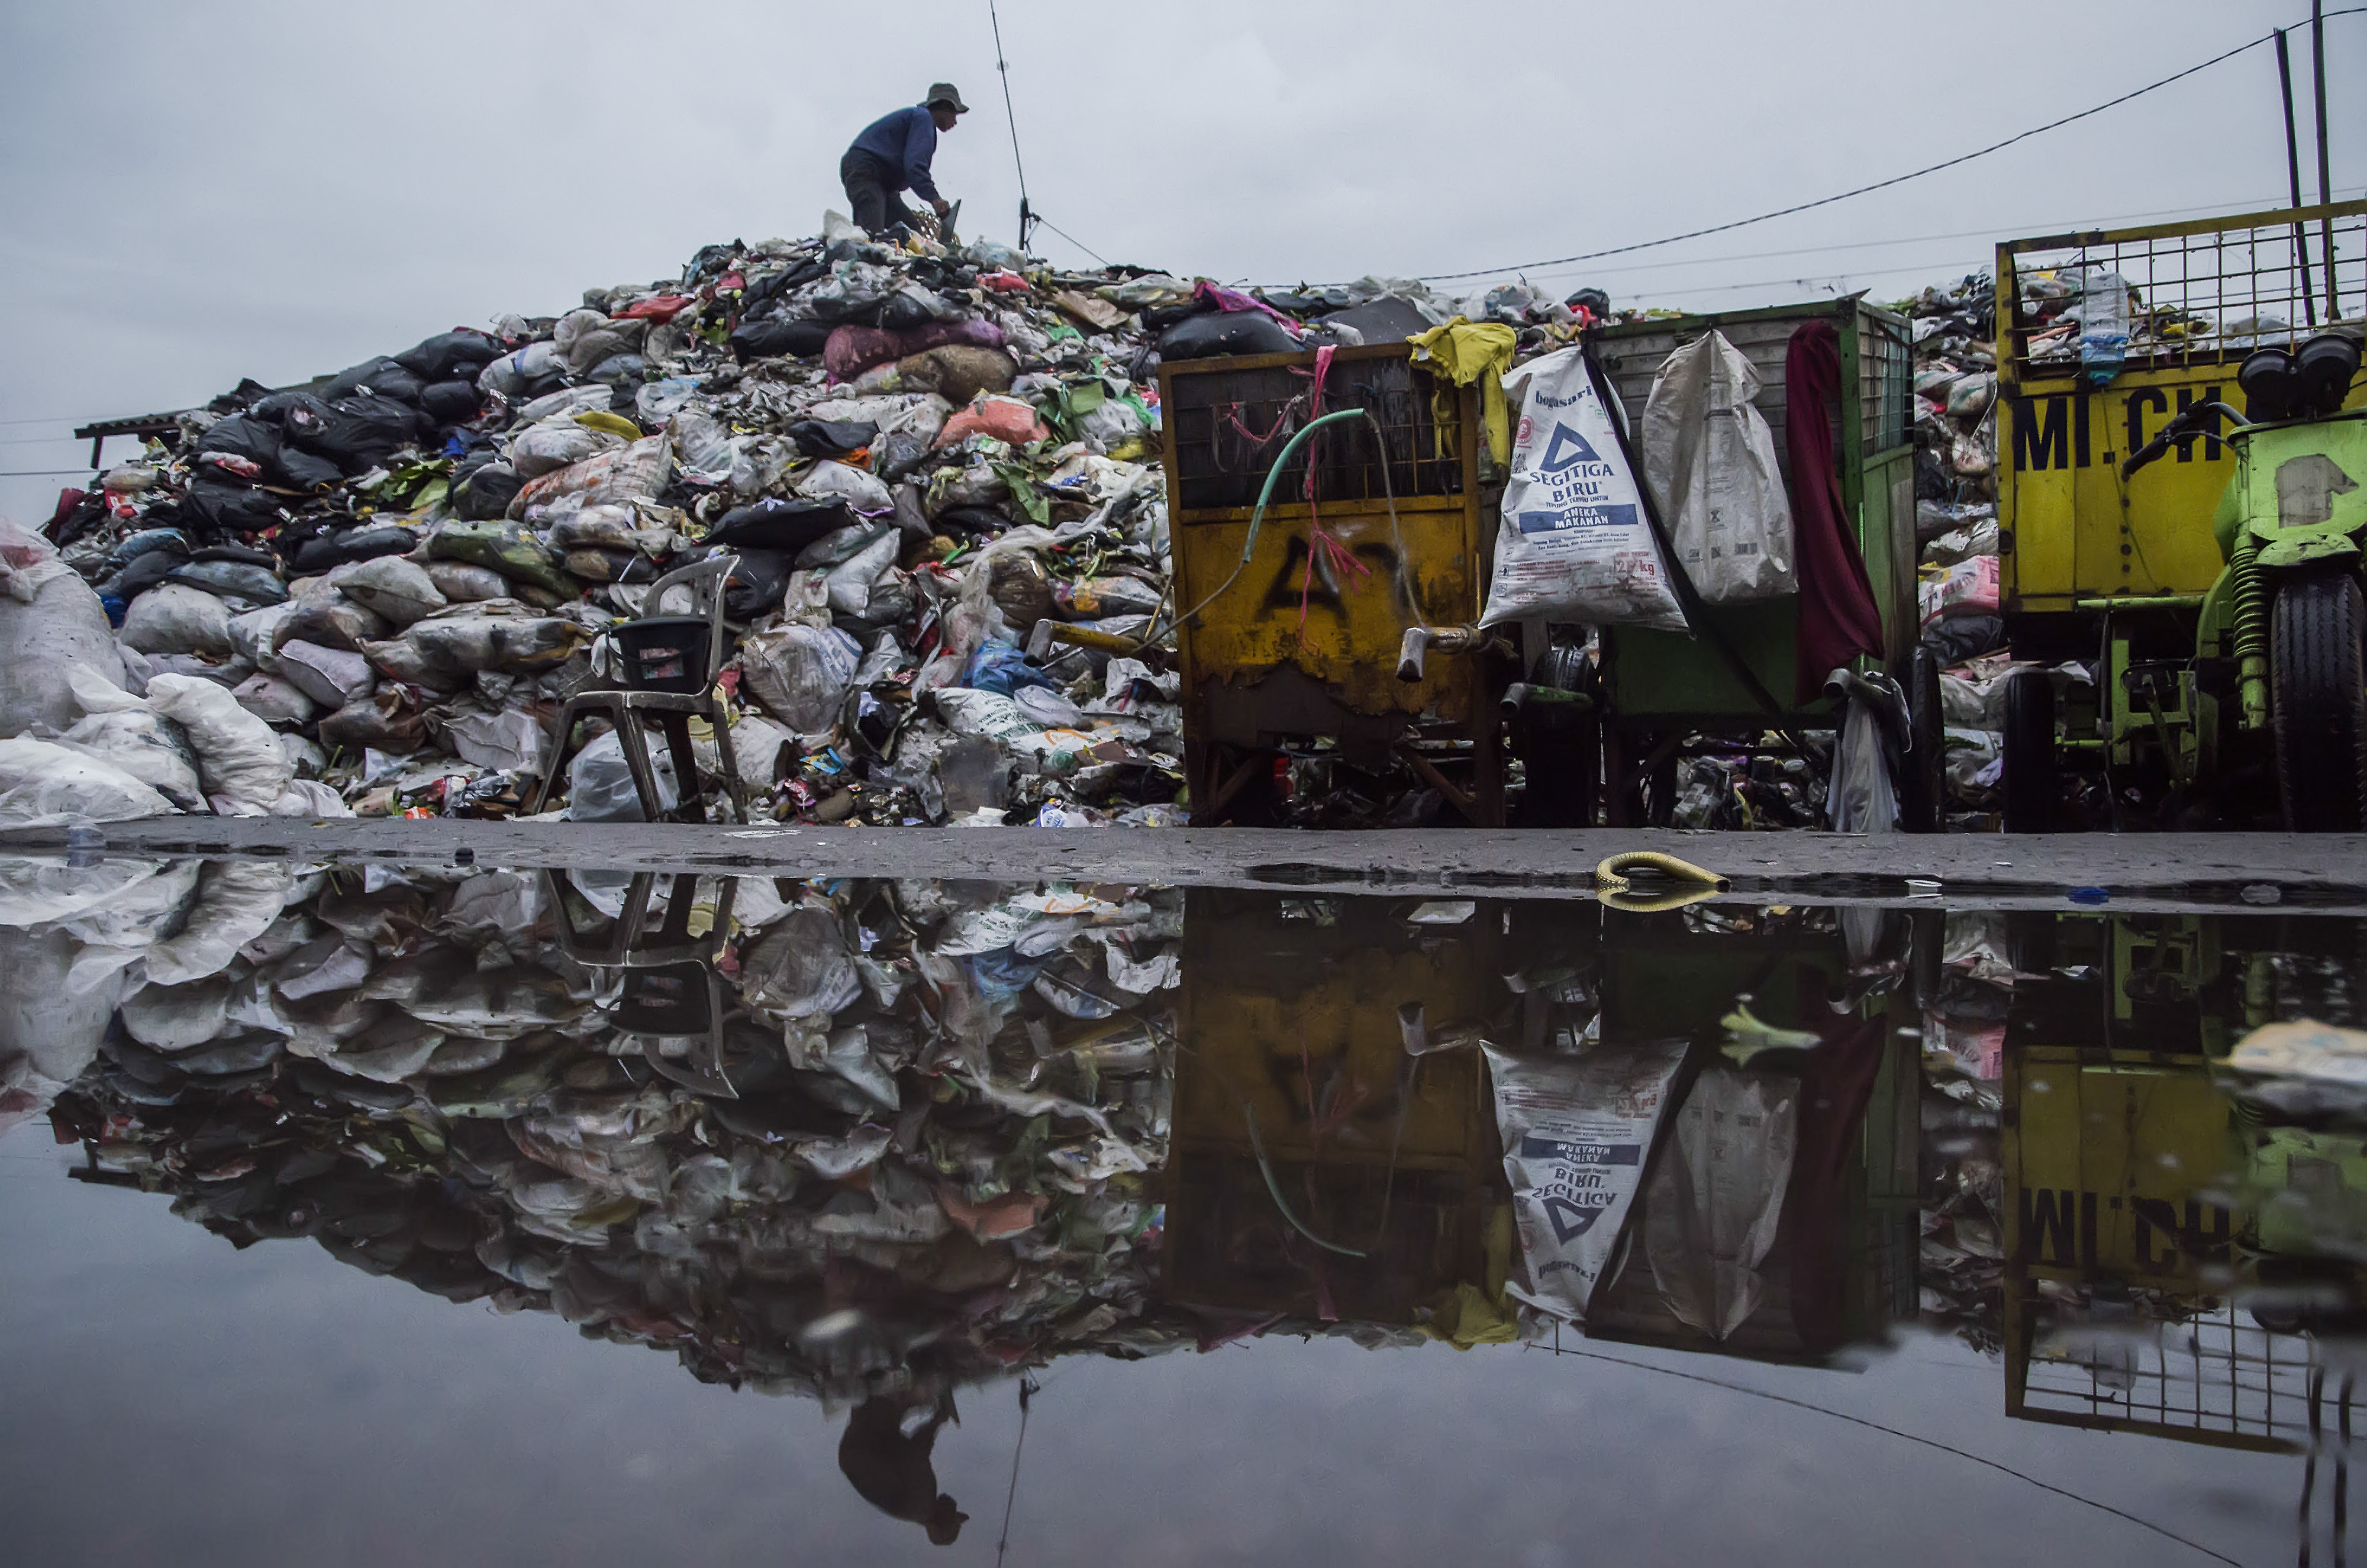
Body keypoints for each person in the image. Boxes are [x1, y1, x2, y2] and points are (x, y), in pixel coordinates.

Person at [837, 1392, 968, 1546]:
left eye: (953, 1513)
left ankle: (875, 1391)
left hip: (865, 1450)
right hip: (861, 1453)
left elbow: (915, 1455)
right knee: (898, 1398)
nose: (955, 1505)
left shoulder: (922, 1506)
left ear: (944, 1520)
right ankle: (868, 1392)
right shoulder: (918, 1510)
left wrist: (937, 1421)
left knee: (894, 1394)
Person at [840, 85, 968, 241]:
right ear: (945, 107)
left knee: (911, 233)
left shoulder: (920, 119)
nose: (955, 121)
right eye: (954, 114)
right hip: (867, 170)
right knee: (871, 233)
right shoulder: (923, 118)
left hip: (884, 184)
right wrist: (935, 199)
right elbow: (915, 166)